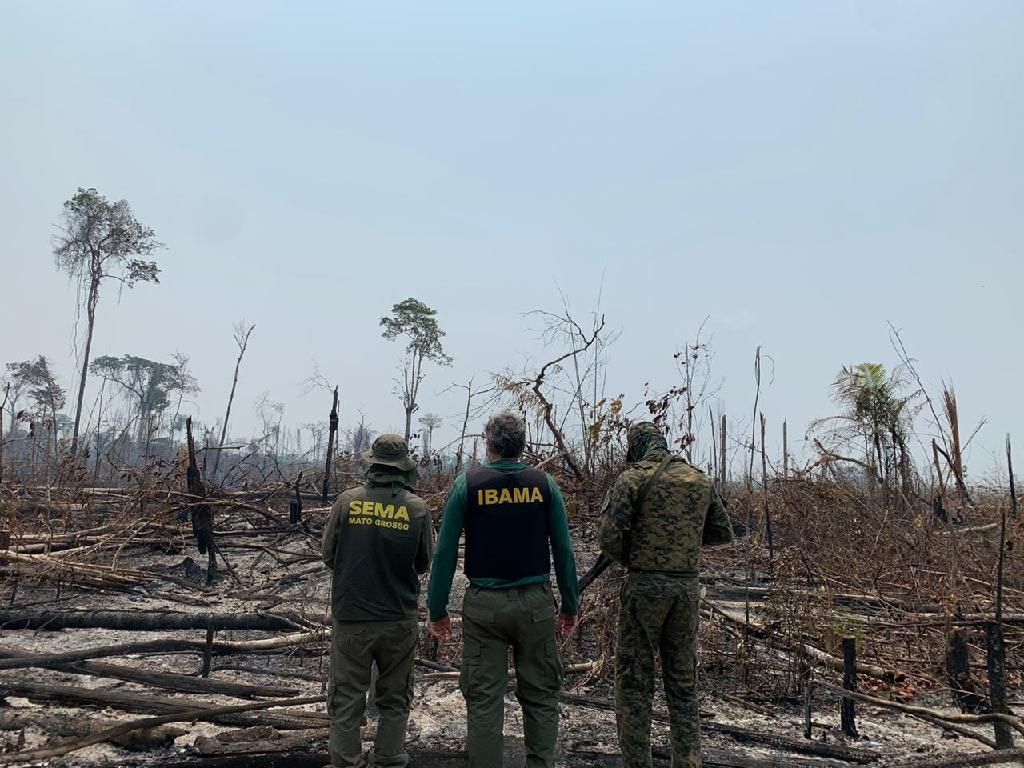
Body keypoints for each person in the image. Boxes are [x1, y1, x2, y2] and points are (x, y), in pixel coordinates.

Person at [427, 411, 579, 768]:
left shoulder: (469, 484)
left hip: (484, 608)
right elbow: (564, 549)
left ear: (489, 444)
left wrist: (437, 609)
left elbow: (446, 552)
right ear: (522, 445)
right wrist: (569, 605)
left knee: (484, 701)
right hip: (536, 606)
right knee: (541, 698)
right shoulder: (544, 484)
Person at [597, 422, 734, 768]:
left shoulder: (633, 479)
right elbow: (722, 532)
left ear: (636, 446)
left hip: (644, 588)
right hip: (686, 589)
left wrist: (640, 557)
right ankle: (688, 761)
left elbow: (608, 537)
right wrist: (680, 550)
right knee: (683, 684)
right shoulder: (699, 480)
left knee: (633, 684)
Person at [322, 434, 434, 768]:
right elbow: (424, 563)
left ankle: (345, 762)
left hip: (352, 617)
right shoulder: (417, 509)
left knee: (346, 698)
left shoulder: (347, 502)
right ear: (404, 468)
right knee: (395, 697)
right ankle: (389, 760)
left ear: (372, 464)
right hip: (398, 619)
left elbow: (328, 554)